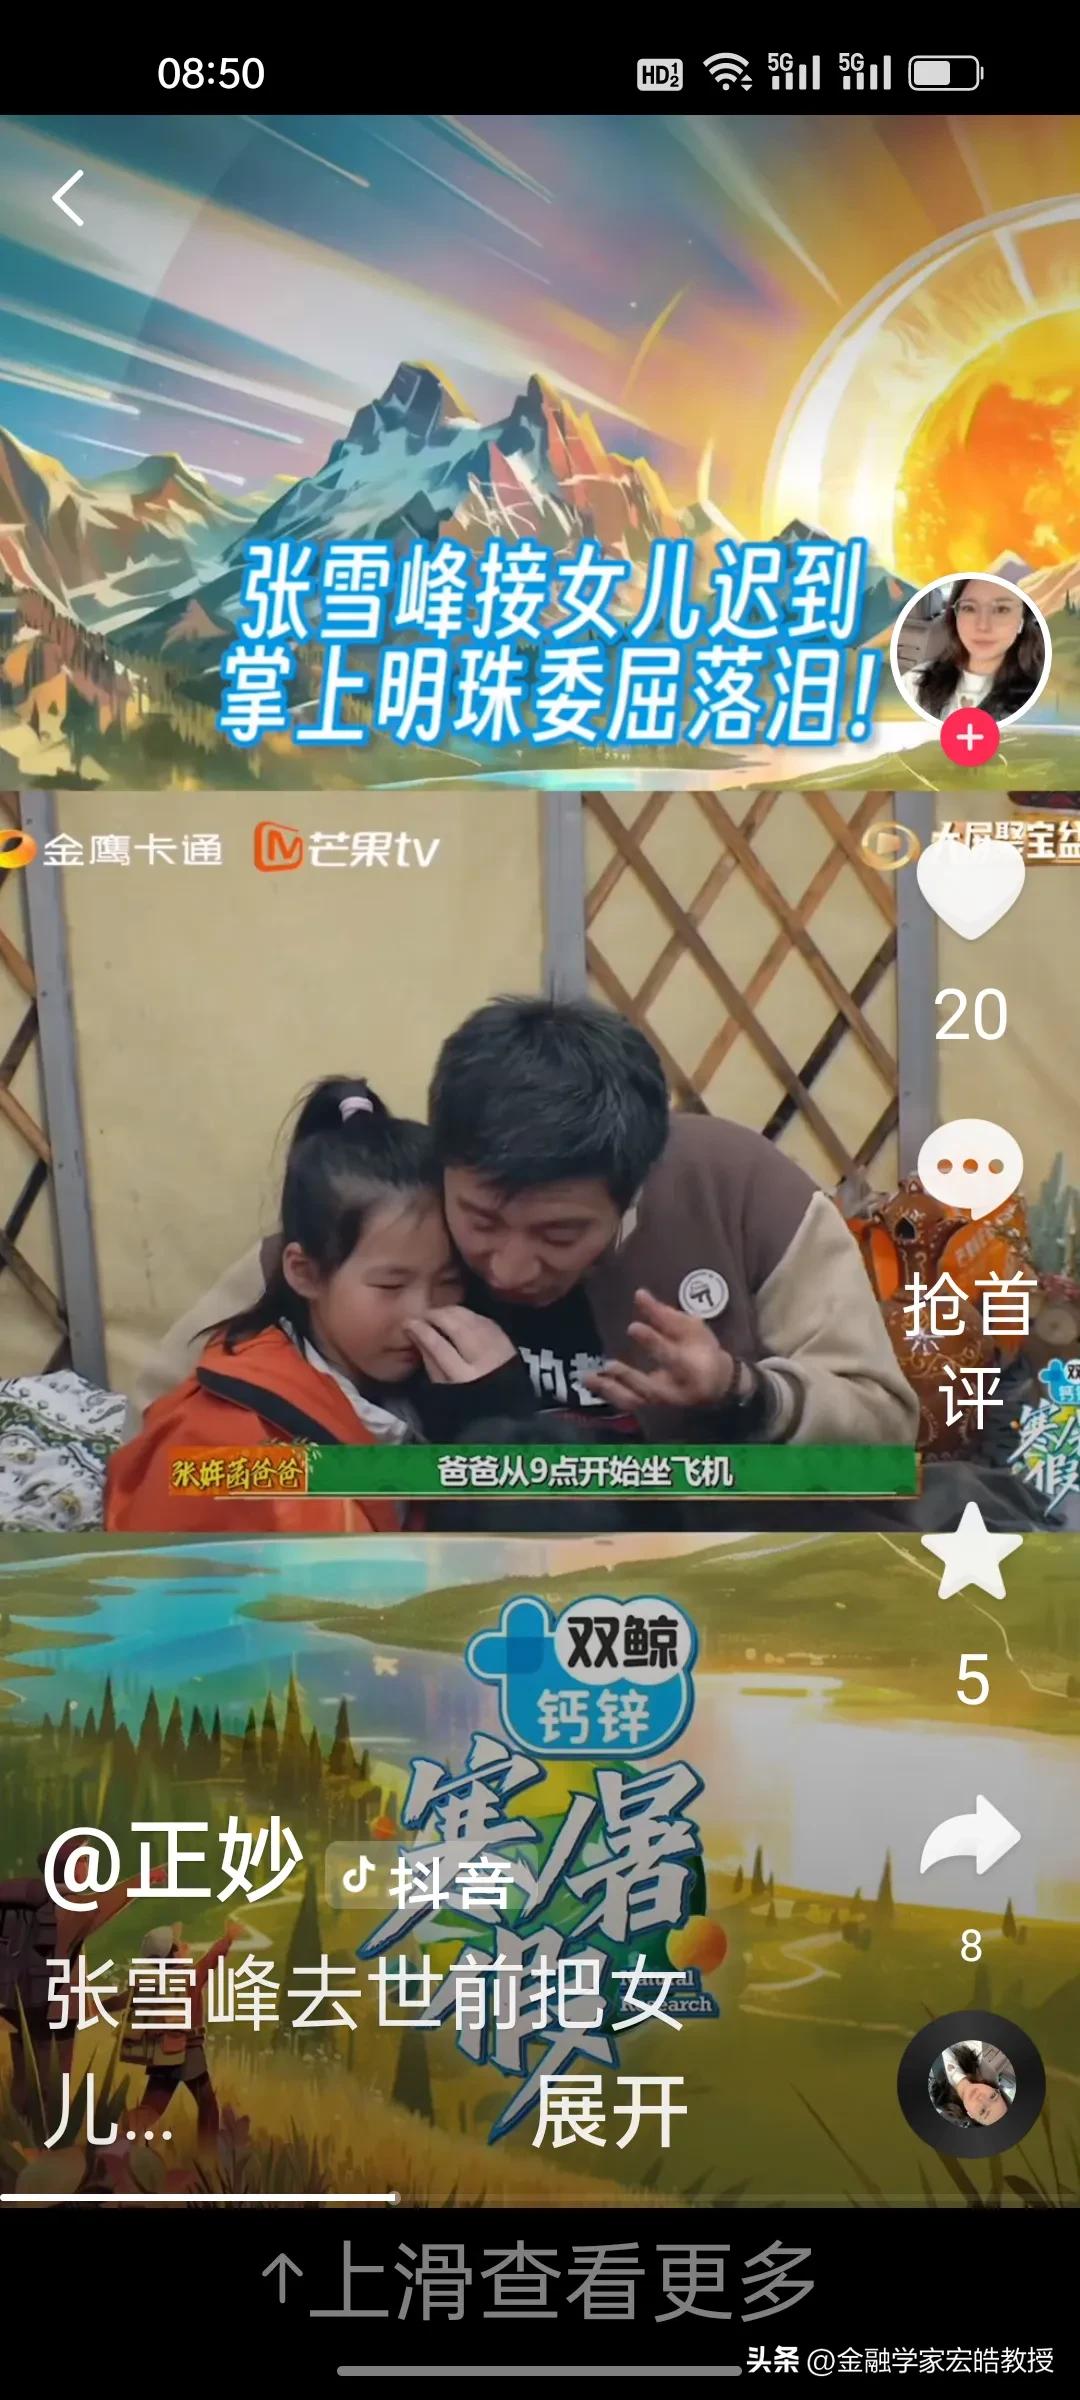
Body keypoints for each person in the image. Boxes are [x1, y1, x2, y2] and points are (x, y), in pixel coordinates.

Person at [138, 1002, 918, 1452]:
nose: (508, 1269)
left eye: (559, 1236)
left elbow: (884, 1421)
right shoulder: (393, 1214)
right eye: (479, 1220)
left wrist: (739, 1392)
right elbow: (162, 1410)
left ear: (631, 1192)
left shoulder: (737, 1190)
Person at [106, 1077, 533, 1534]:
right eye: (390, 1285)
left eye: (449, 1282)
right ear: (305, 1272)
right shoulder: (228, 1439)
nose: (422, 1315)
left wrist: (494, 1429)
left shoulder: (419, 1391)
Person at [121, 1919, 242, 2158]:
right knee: (208, 2106)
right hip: (187, 2052)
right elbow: (210, 1961)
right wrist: (228, 1939)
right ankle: (207, 2160)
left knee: (151, 2108)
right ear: (172, 1954)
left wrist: (96, 2006)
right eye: (180, 1944)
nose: (186, 1945)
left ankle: (115, 2143)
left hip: (162, 2053)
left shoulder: (155, 1982)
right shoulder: (189, 1978)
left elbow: (126, 1998)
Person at [899, 578, 1044, 722]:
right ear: (956, 616)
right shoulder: (916, 683)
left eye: (1001, 609)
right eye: (969, 608)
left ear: (1022, 621)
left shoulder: (1042, 697)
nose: (983, 626)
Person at [929, 2041, 1015, 2129]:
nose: (981, 2097)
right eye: (993, 2096)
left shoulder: (937, 2097)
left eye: (982, 2111)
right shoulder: (978, 2055)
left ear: (971, 2115)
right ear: (993, 2088)